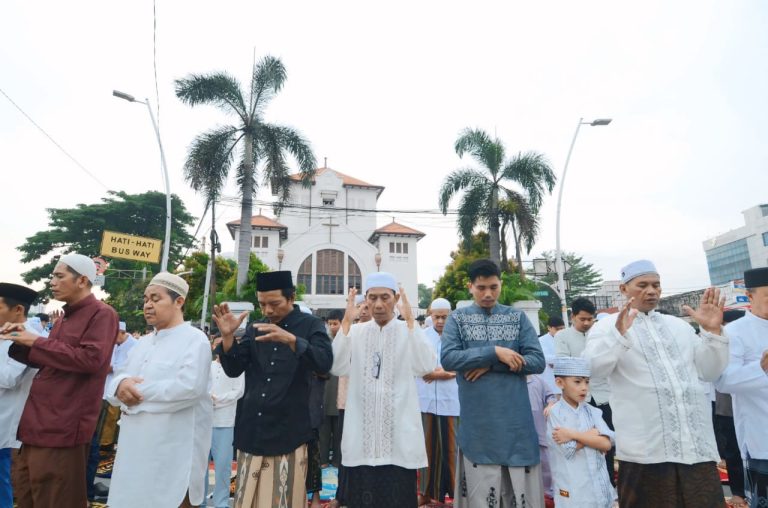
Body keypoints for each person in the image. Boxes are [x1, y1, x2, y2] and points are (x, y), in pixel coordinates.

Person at [583, 259, 728, 508]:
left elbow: (710, 371)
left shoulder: (679, 327)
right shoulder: (607, 326)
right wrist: (619, 337)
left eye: (656, 285)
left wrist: (713, 334)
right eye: (642, 285)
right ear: (623, 289)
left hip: (695, 448)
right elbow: (593, 369)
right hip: (646, 453)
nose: (651, 291)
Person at [0, 254, 119, 508]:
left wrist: (35, 341)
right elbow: (51, 358)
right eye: (53, 275)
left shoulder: (102, 314)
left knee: (57, 499)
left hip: (64, 425)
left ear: (83, 280)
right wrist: (19, 341)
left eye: (59, 275)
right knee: (30, 495)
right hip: (36, 422)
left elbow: (91, 360)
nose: (52, 281)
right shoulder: (64, 317)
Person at [212, 270, 333, 508]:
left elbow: (324, 363)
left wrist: (292, 340)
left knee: (282, 500)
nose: (267, 311)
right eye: (262, 304)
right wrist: (228, 338)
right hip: (252, 429)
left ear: (291, 298)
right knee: (247, 499)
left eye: (274, 304)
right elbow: (234, 368)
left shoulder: (311, 325)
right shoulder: (256, 328)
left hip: (288, 432)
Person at [441, 259, 546, 508]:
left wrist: (493, 364)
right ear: (470, 287)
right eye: (481, 288)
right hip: (479, 422)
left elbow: (537, 361)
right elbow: (448, 359)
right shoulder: (457, 319)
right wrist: (494, 351)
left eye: (493, 287)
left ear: (500, 285)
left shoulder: (517, 318)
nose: (488, 294)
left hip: (515, 421)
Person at [105, 272, 212, 508]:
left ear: (179, 301)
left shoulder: (195, 340)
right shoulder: (142, 343)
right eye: (145, 299)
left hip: (172, 452)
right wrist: (121, 386)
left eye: (156, 298)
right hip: (135, 450)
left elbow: (188, 389)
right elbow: (118, 378)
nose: (148, 305)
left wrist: (135, 396)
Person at [331, 274, 435, 508]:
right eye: (372, 298)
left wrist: (411, 322)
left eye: (385, 298)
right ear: (365, 300)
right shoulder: (356, 333)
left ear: (396, 298)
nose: (378, 304)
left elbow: (426, 365)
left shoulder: (407, 331)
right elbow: (336, 366)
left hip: (398, 438)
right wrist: (347, 322)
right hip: (363, 438)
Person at [716, 267, 768, 508]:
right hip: (762, 438)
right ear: (750, 296)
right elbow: (725, 380)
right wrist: (762, 369)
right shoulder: (735, 332)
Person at [555, 297, 614, 485]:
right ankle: (586, 485)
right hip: (580, 400)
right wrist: (589, 361)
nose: (587, 323)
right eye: (583, 319)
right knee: (582, 445)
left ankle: (609, 485)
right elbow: (564, 366)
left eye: (591, 319)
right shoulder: (562, 337)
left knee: (606, 442)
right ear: (572, 317)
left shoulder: (602, 335)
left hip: (605, 397)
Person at [547, 357, 617, 507]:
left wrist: (574, 435)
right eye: (577, 382)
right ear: (560, 383)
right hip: (574, 488)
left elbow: (606, 444)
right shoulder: (555, 413)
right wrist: (592, 437)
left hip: (599, 485)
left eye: (587, 382)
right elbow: (568, 450)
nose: (584, 387)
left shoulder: (594, 411)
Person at [87, 321, 139, 501]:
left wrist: (111, 368)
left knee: (109, 429)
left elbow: (130, 371)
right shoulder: (112, 344)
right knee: (99, 432)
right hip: (103, 392)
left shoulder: (135, 346)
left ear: (122, 332)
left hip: (121, 395)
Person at [415, 297, 460, 505]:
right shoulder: (421, 337)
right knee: (426, 448)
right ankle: (425, 492)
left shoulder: (460, 337)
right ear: (430, 316)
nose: (440, 321)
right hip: (426, 402)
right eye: (437, 317)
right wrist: (433, 373)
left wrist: (444, 374)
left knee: (452, 449)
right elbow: (413, 365)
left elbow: (465, 364)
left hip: (452, 402)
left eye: (444, 317)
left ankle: (456, 494)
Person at [0, 283, 39, 507]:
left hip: (7, 423)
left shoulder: (26, 338)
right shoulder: (5, 333)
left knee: (3, 480)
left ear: (18, 311)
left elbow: (9, 378)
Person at [712, 309, 747, 508]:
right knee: (733, 450)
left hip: (750, 406)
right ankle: (739, 493)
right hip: (727, 407)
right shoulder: (719, 343)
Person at [206, 338, 245, 508]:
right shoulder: (207, 366)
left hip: (225, 422)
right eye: (217, 344)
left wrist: (217, 400)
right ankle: (198, 501)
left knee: (223, 466)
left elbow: (238, 392)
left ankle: (221, 503)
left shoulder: (237, 369)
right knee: (199, 466)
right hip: (203, 421)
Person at [319, 309, 344, 470]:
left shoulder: (348, 342)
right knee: (324, 430)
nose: (332, 327)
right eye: (330, 324)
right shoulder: (324, 342)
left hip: (342, 394)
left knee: (340, 431)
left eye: (335, 323)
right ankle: (322, 460)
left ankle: (337, 460)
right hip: (325, 392)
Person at [527, 373, 557, 500]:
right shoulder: (510, 380)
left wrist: (550, 405)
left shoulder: (538, 380)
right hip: (521, 434)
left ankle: (549, 493)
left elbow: (551, 397)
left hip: (539, 429)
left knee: (545, 462)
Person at [539, 316, 565, 395]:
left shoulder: (566, 339)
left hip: (564, 378)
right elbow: (544, 357)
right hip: (549, 378)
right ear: (549, 328)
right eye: (557, 329)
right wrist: (561, 360)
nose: (560, 331)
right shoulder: (541, 340)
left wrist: (556, 361)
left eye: (562, 329)